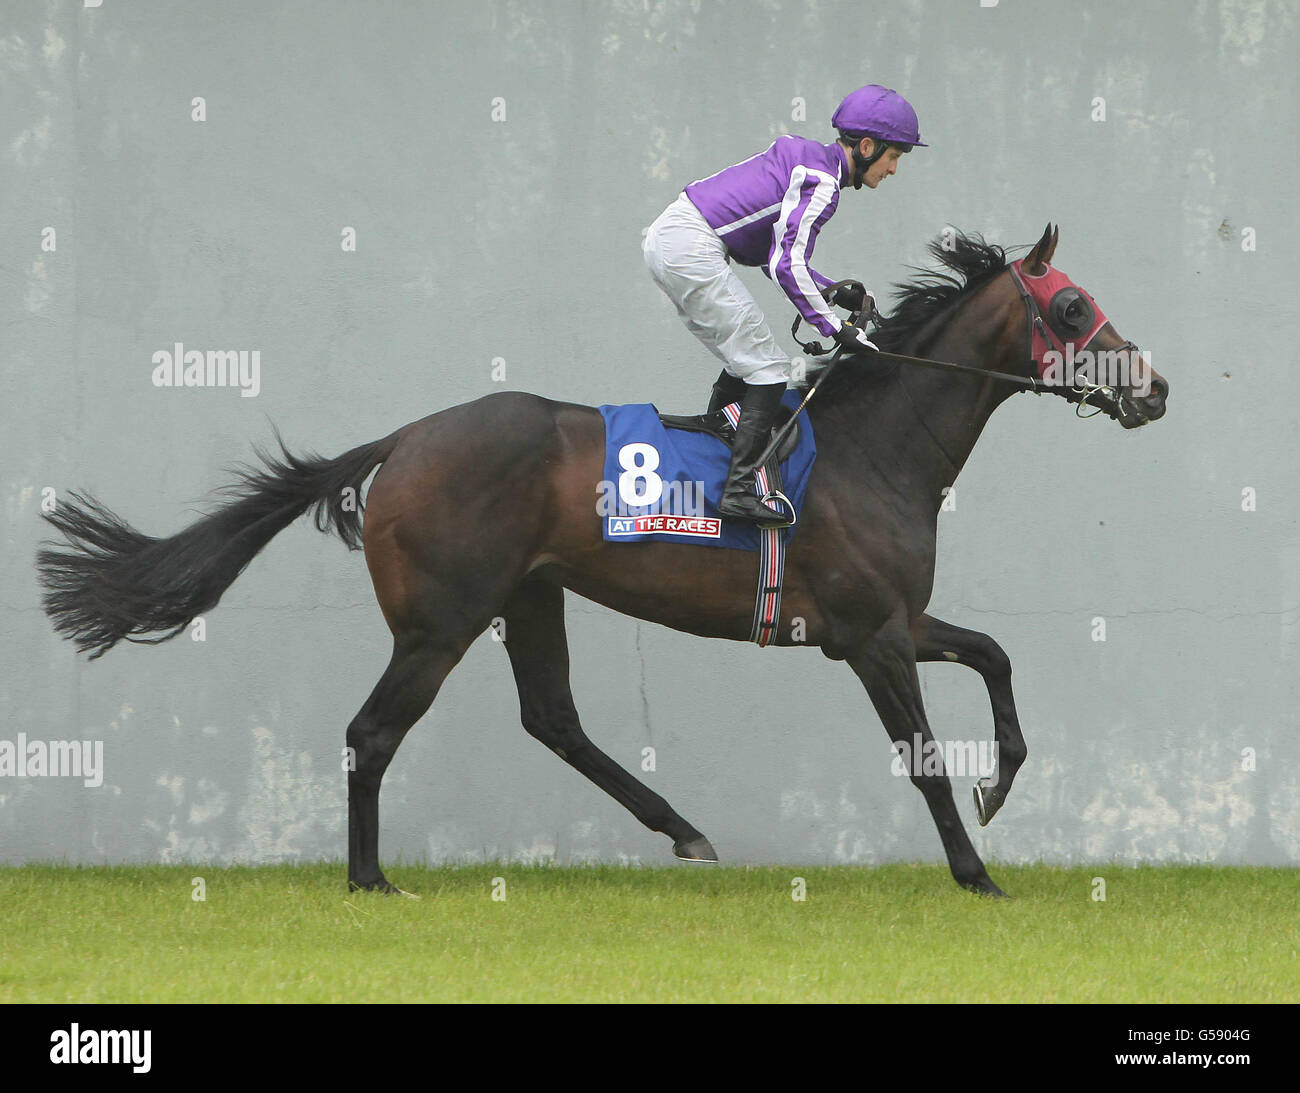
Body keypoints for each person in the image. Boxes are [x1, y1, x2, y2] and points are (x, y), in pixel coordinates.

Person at [642, 85, 925, 526]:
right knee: (770, 369)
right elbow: (785, 264)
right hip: (691, 247)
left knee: (747, 361)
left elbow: (779, 256)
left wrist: (837, 291)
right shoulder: (824, 182)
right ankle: (736, 491)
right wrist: (836, 328)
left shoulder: (809, 159)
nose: (893, 169)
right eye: (894, 157)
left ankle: (722, 442)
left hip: (675, 239)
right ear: (867, 147)